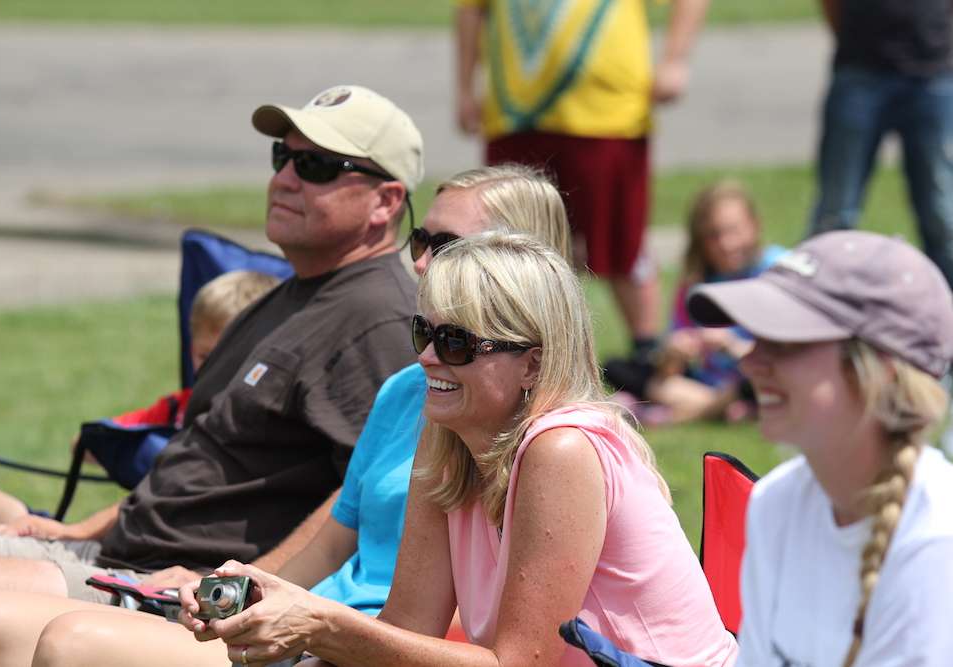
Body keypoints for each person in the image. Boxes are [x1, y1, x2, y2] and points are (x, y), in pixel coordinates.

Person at [0, 164, 575, 666]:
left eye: (449, 247)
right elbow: (335, 535)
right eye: (424, 241)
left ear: (522, 269)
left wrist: (316, 624)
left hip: (336, 637)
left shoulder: (546, 442)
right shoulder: (411, 394)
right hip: (307, 622)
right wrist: (232, 584)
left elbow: (498, 638)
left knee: (67, 643)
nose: (419, 264)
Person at [163, 232, 735, 667]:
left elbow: (519, 666)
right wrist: (278, 613)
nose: (428, 358)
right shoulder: (449, 443)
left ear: (532, 361)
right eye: (425, 333)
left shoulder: (562, 449)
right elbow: (408, 627)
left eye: (457, 341)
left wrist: (320, 624)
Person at [0, 83, 422, 607]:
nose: (284, 179)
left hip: (185, 592)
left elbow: (362, 508)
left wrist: (231, 589)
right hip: (122, 558)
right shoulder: (297, 292)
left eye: (315, 167)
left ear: (385, 202)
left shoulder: (377, 320)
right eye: (282, 157)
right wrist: (84, 528)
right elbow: (203, 444)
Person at [687, 230, 953, 665]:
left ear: (877, 371)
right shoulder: (775, 503)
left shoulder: (937, 542)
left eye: (785, 342)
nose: (749, 361)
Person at [455, 0, 710, 360]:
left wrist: (675, 60)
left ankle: (646, 356)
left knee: (623, 243)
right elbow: (470, 9)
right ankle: (520, 355)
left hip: (608, 112)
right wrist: (465, 88)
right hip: (516, 113)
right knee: (513, 251)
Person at [0, 269, 281, 532]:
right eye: (204, 355)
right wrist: (137, 453)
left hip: (164, 539)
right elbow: (88, 442)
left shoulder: (266, 430)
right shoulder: (174, 409)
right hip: (121, 525)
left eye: (228, 359)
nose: (212, 369)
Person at [604, 181, 784, 424]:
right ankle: (720, 407)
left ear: (754, 226)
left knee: (762, 379)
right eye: (713, 235)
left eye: (733, 231)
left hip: (757, 378)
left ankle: (665, 414)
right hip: (704, 384)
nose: (725, 244)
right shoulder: (696, 286)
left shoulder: (779, 272)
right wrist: (674, 352)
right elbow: (668, 369)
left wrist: (731, 345)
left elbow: (790, 355)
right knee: (617, 368)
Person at [809, 0, 953, 289]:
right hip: (860, 69)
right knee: (836, 211)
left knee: (942, 214)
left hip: (933, 71)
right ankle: (817, 312)